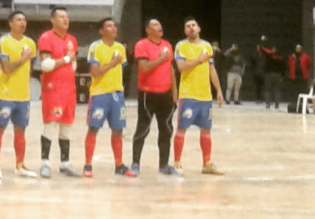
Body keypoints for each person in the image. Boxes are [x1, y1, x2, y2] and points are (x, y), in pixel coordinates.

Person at [0, 10, 38, 180]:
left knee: (21, 130)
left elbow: (29, 69)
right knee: (0, 128)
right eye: (18, 20)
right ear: (10, 23)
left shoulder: (30, 43)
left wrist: (25, 60)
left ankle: (20, 165)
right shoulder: (4, 42)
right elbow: (7, 68)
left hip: (23, 95)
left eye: (24, 20)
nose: (22, 23)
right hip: (6, 94)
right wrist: (23, 58)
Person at [173, 17, 224, 175]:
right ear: (185, 31)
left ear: (199, 28)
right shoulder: (181, 46)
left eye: (193, 25)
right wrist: (198, 60)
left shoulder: (207, 46)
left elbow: (211, 70)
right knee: (182, 129)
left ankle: (207, 163)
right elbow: (181, 67)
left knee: (206, 131)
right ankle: (176, 163)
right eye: (187, 26)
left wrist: (219, 90)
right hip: (188, 95)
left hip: (205, 96)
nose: (191, 28)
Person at [129, 19, 179, 177]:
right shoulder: (141, 45)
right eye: (156, 25)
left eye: (160, 25)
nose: (160, 27)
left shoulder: (167, 45)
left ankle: (164, 165)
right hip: (147, 94)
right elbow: (143, 67)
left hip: (166, 95)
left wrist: (175, 94)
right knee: (143, 129)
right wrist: (161, 59)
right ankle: (136, 163)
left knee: (166, 130)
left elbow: (171, 70)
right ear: (148, 30)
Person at [37, 7, 81, 178]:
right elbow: (46, 65)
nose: (65, 20)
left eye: (67, 17)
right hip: (52, 90)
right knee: (50, 124)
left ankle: (65, 164)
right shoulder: (46, 38)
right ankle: (45, 163)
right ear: (53, 20)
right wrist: (67, 59)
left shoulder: (72, 40)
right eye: (61, 17)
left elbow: (74, 66)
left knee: (67, 126)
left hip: (69, 89)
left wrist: (69, 63)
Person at [83, 17, 128, 178]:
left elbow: (122, 70)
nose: (113, 28)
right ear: (101, 31)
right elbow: (95, 72)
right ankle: (87, 165)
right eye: (109, 26)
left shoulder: (120, 48)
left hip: (117, 93)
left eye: (115, 26)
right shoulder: (95, 47)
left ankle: (119, 164)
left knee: (118, 129)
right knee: (93, 128)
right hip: (99, 94)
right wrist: (113, 62)